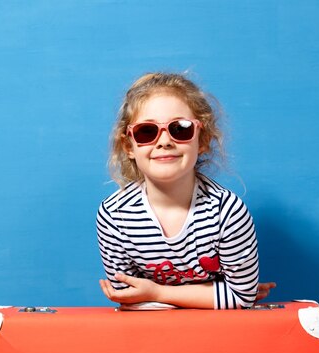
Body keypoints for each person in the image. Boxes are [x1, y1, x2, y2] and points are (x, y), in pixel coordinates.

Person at [97, 72, 276, 309]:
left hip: (222, 336)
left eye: (180, 129)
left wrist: (157, 293)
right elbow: (129, 300)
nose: (164, 141)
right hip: (151, 338)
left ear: (202, 141)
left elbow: (242, 298)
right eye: (146, 132)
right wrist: (217, 296)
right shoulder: (114, 216)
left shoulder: (227, 212)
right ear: (128, 146)